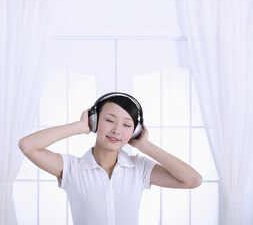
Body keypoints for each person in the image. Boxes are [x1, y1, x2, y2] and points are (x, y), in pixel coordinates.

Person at [19, 92, 202, 225]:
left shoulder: (139, 168)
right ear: (95, 120)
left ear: (135, 131)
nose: (116, 130)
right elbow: (27, 146)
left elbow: (193, 180)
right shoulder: (72, 168)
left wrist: (145, 145)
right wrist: (80, 127)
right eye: (109, 120)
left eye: (126, 125)